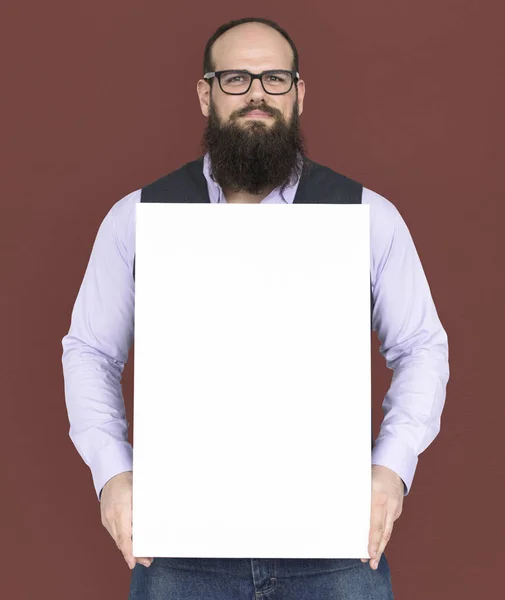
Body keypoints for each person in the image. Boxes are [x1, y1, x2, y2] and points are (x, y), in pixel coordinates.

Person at [61, 17, 450, 600]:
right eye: (237, 78)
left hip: (334, 552)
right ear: (205, 93)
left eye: (274, 78)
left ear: (299, 93)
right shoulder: (136, 218)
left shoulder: (369, 217)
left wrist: (390, 470)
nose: (257, 94)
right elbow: (90, 351)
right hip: (179, 553)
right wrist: (114, 474)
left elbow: (422, 347)